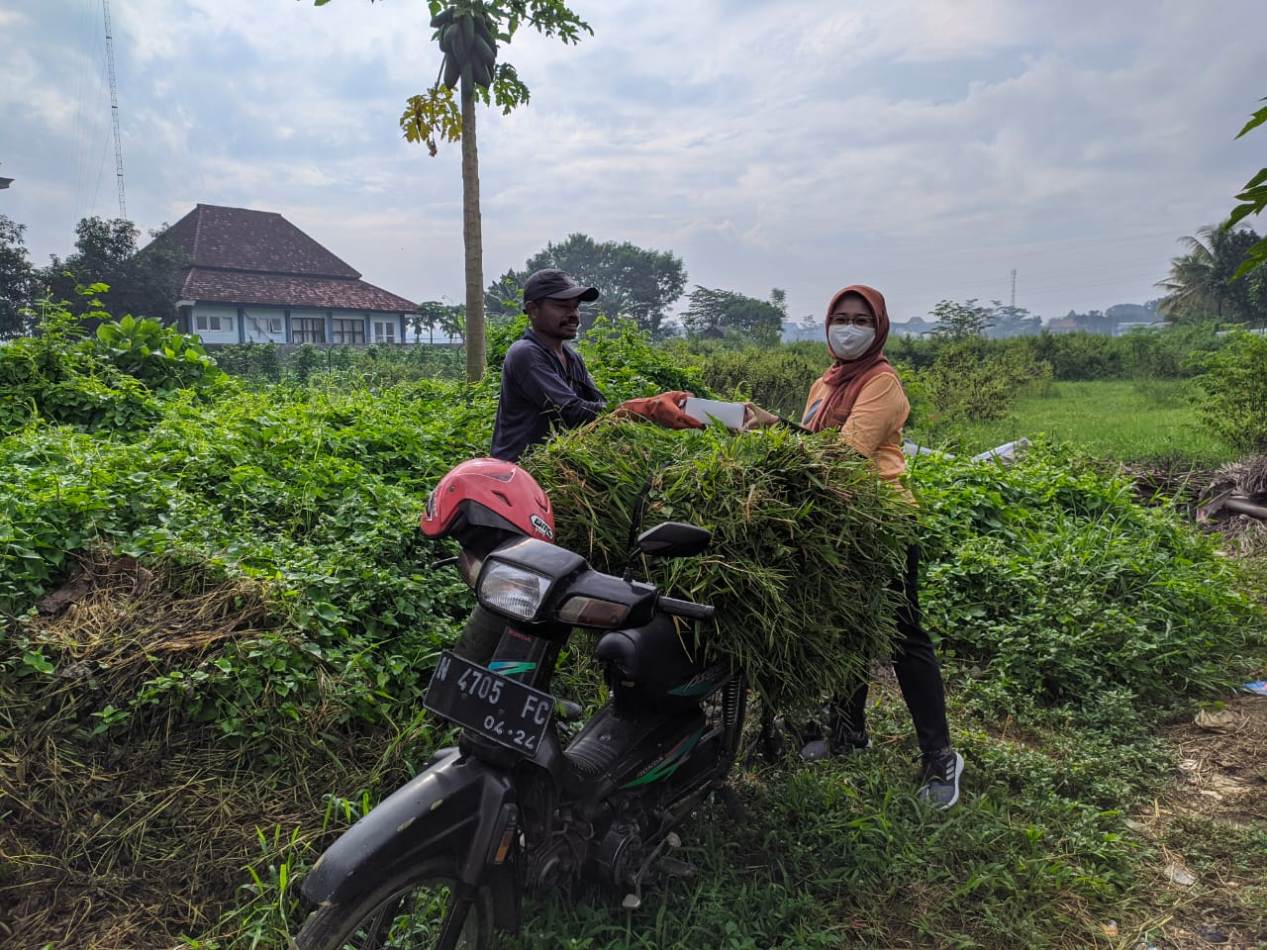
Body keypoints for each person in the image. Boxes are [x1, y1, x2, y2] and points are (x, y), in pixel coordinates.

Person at [745, 284, 964, 809]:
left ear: (879, 327)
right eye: (839, 318)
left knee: (903, 635)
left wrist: (782, 432)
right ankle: (847, 733)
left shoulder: (882, 382)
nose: (848, 328)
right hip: (838, 521)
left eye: (859, 320)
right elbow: (811, 441)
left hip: (883, 520)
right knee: (846, 628)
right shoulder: (826, 381)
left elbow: (845, 454)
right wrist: (775, 429)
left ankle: (940, 756)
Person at [491, 269, 606, 463]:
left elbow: (598, 404)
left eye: (576, 307)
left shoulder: (572, 358)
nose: (573, 315)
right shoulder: (525, 353)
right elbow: (572, 412)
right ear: (533, 309)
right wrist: (632, 411)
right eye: (562, 307)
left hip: (557, 469)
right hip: (517, 474)